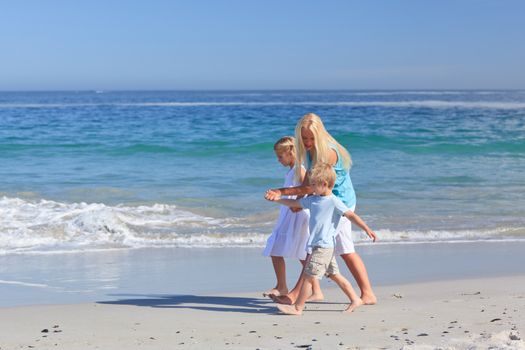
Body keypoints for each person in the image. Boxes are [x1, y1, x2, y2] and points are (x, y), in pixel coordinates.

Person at [265, 113, 377, 305]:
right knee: (344, 249)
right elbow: (309, 185)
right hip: (326, 201)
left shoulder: (328, 153)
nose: (307, 142)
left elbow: (310, 186)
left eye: (311, 138)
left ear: (320, 135)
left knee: (319, 248)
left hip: (338, 203)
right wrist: (292, 198)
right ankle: (367, 294)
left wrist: (280, 192)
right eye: (304, 138)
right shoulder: (310, 151)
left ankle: (294, 296)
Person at [267, 163, 377, 315]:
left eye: (313, 185)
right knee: (334, 275)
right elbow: (294, 203)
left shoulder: (333, 201)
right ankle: (355, 299)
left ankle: (298, 308)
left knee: (308, 276)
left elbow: (350, 215)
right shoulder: (313, 200)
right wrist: (278, 199)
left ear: (324, 184)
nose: (310, 188)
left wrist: (366, 228)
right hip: (317, 246)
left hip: (324, 247)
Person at [262, 136, 323, 300]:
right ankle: (285, 286)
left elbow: (307, 189)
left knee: (292, 251)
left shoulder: (300, 168)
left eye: (280, 156)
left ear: (290, 152)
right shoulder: (292, 170)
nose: (278, 160)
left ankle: (293, 288)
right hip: (289, 213)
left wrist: (298, 204)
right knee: (297, 253)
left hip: (297, 215)